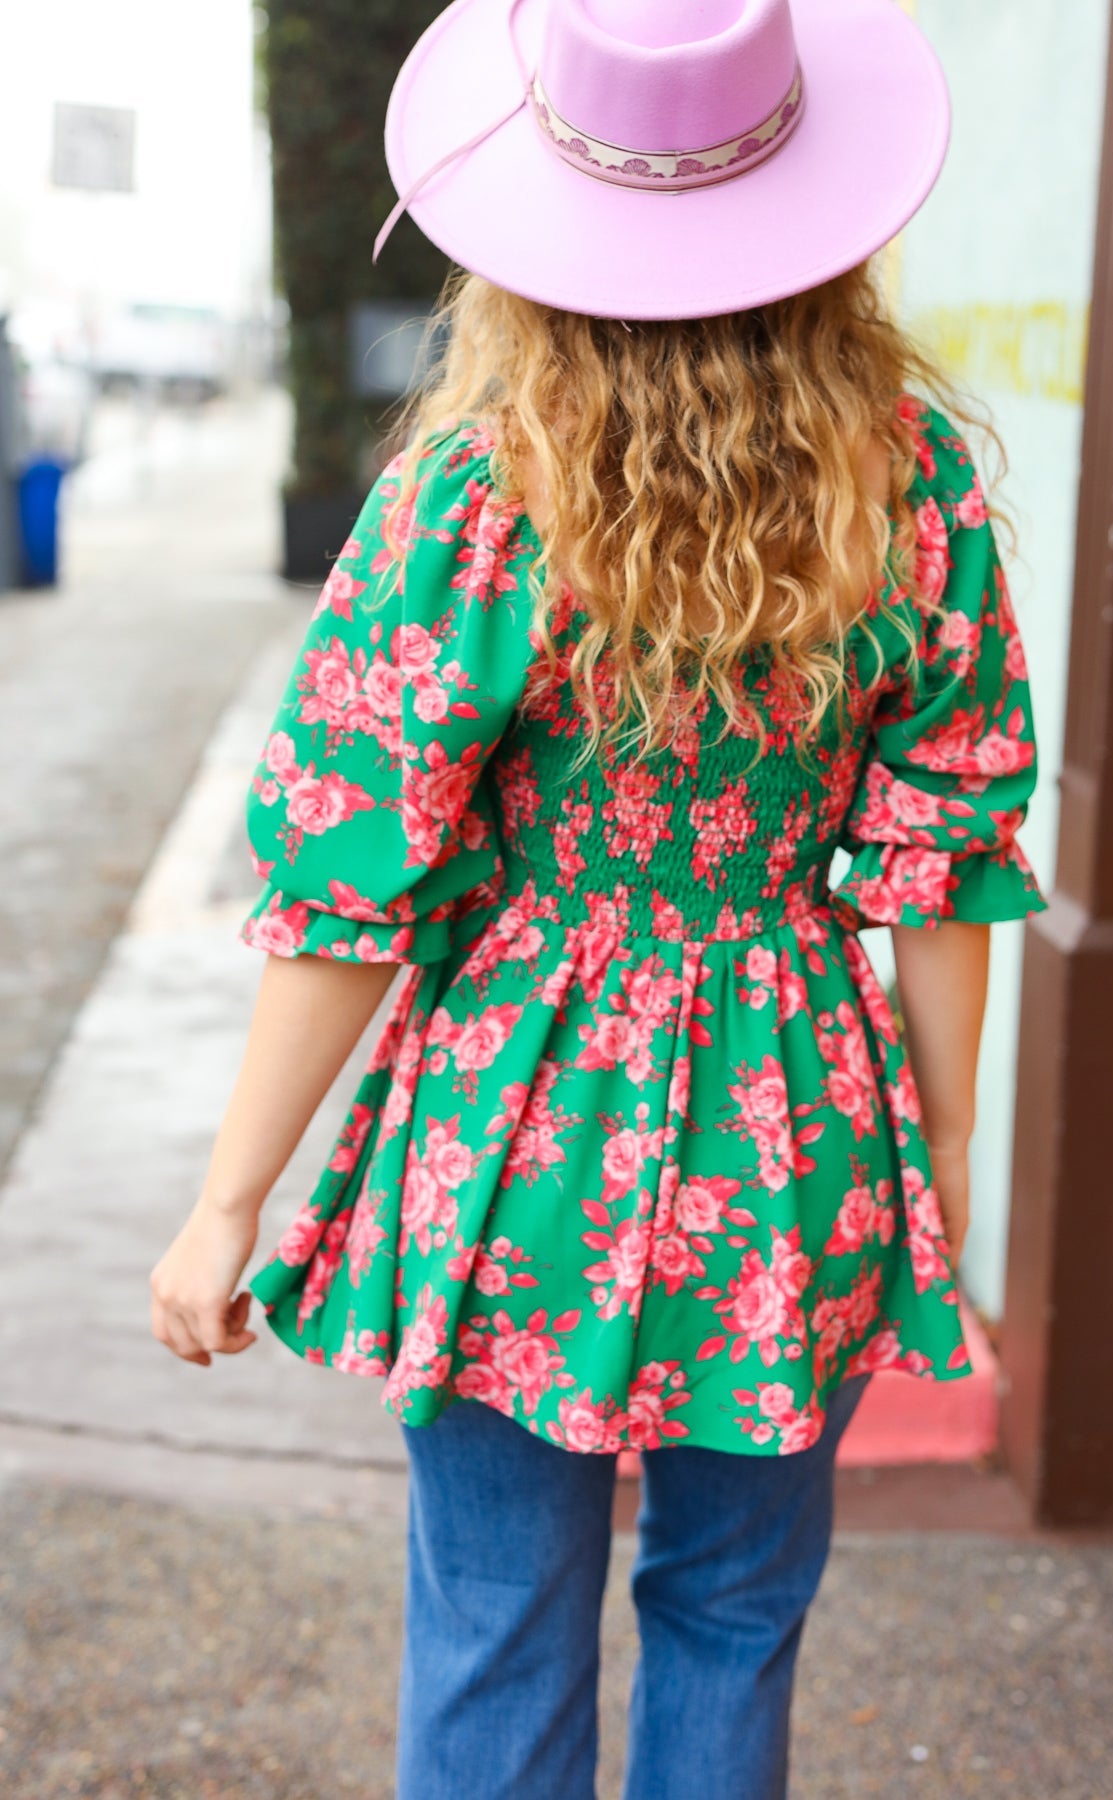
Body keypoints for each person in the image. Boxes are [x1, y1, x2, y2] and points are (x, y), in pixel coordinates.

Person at [151, 1, 1046, 1795]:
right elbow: (945, 856)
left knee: (494, 1612)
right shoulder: (914, 484)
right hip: (795, 1119)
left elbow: (349, 878)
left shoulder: (476, 500)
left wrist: (228, 1200)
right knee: (737, 1610)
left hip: (516, 1122)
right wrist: (943, 1150)